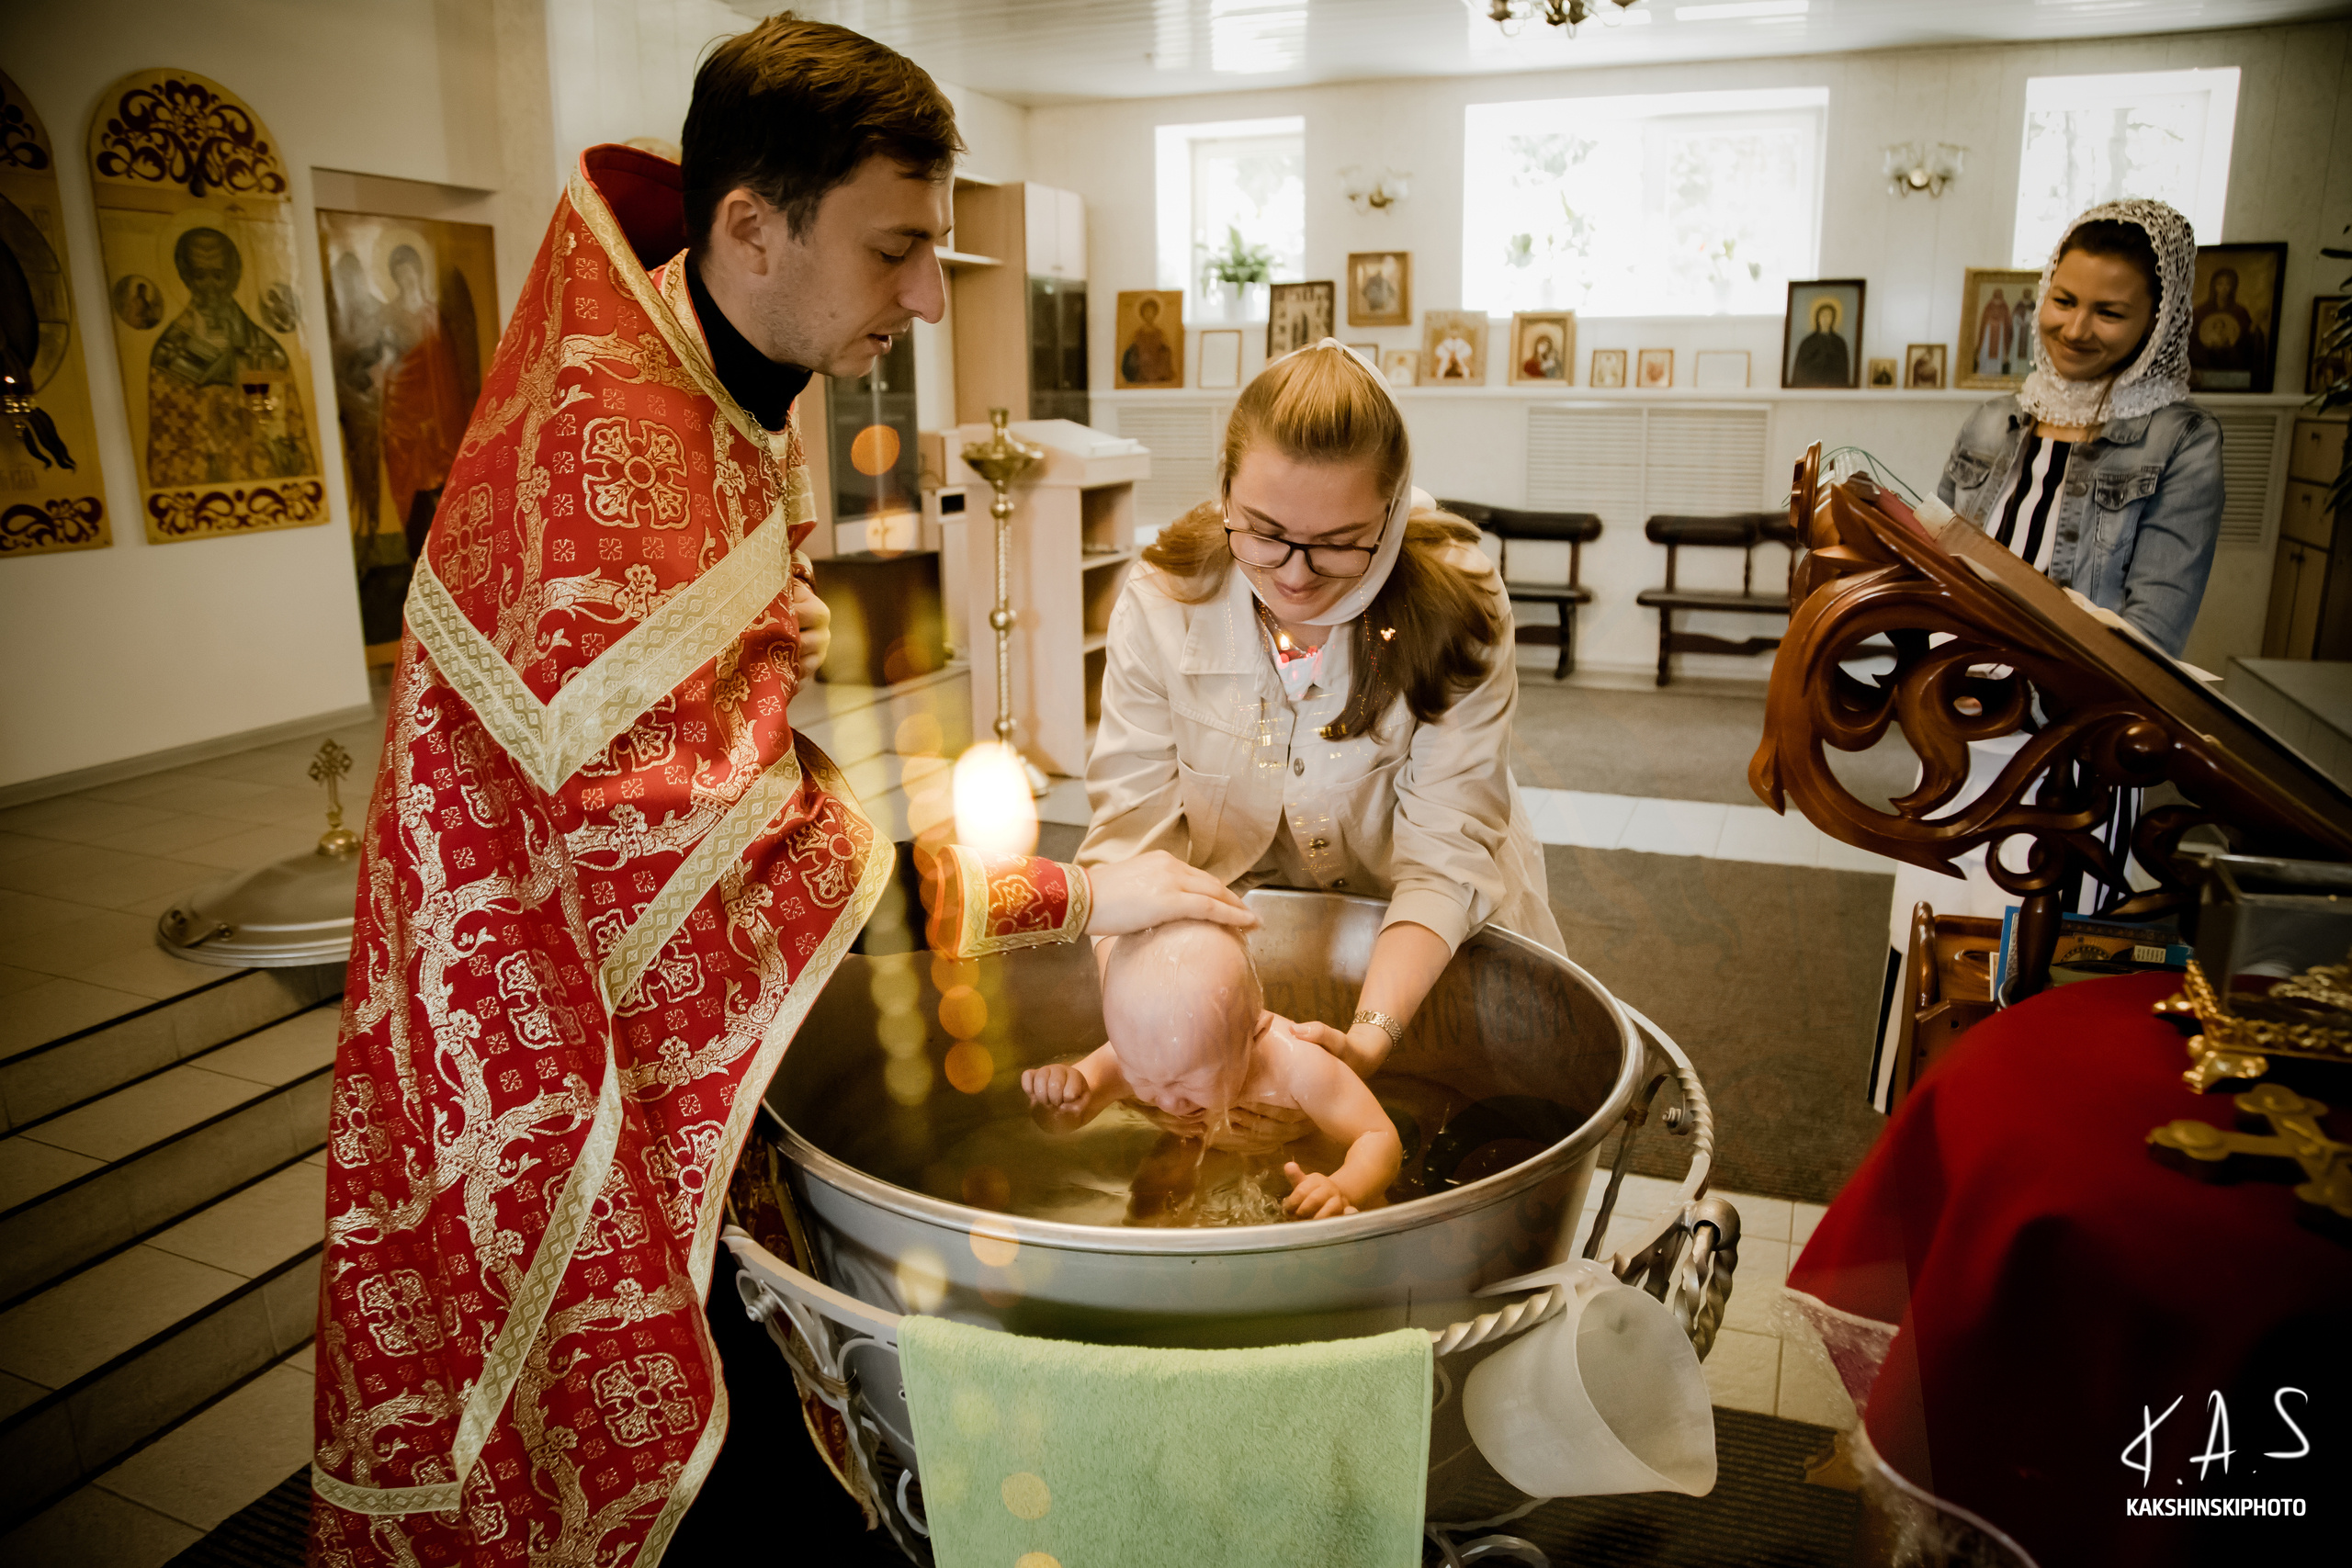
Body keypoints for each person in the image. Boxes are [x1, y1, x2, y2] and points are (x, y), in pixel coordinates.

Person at [308, 16, 1242, 1564]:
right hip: (554, 1052)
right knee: (670, 1466)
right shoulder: (613, 471)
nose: (931, 296)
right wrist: (1072, 890)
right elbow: (737, 875)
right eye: (896, 252)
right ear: (753, 224)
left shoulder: (709, 360)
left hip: (639, 1006)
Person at [1085, 342, 1562, 1080]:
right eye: (1265, 533)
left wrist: (1370, 1036)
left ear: (1393, 514)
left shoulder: (1458, 602)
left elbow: (1445, 855)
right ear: (1225, 491)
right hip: (1232, 951)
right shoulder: (1162, 602)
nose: (1295, 576)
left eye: (1339, 546)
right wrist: (1151, 1034)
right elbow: (1130, 849)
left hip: (1431, 941)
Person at [1868, 197, 2223, 1113]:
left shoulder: (2182, 440)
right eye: (2061, 300)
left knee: (2042, 976)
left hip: (2074, 742)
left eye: (2109, 312)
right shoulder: (1993, 420)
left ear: (2161, 319)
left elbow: (2153, 630)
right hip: (1958, 724)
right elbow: (1937, 553)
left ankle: (2017, 1142)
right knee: (1937, 949)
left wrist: (2029, 646)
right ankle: (1923, 1130)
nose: (2074, 329)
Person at [1021, 919, 1404, 1220]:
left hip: (1298, 1149)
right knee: (1149, 1204)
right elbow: (1063, 1120)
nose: (1168, 1101)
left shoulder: (1297, 1065)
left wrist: (1344, 1188)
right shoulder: (1134, 1052)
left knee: (1344, 1211)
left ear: (1254, 1034)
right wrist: (1054, 1101)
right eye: (1143, 1079)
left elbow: (1378, 1136)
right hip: (1199, 1145)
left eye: (1190, 1080)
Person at [1791, 299, 1849, 386]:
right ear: (1817, 318)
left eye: (1829, 316)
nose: (1825, 319)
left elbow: (1843, 369)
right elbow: (1800, 368)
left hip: (1833, 386)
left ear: (1833, 319)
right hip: (1810, 385)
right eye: (1823, 316)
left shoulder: (1839, 342)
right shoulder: (1807, 342)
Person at [1124, 294, 1174, 383]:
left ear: (1155, 314)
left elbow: (1166, 351)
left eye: (1151, 312)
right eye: (1147, 312)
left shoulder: (1160, 333)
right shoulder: (1137, 334)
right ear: (1142, 314)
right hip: (1141, 366)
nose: (1149, 315)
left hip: (1157, 366)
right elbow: (1131, 352)